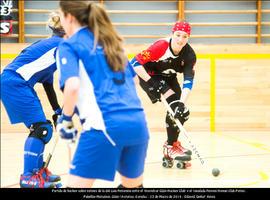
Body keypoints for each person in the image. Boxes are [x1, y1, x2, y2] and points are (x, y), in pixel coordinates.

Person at [56, 1, 149, 188]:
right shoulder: (111, 42)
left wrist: (65, 119)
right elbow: (134, 81)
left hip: (104, 126)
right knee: (132, 186)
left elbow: (72, 86)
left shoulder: (70, 46)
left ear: (69, 17)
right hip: (138, 124)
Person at [1, 12, 65, 188]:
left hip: (15, 82)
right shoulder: (62, 45)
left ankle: (38, 173)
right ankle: (29, 177)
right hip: (16, 83)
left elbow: (48, 83)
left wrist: (57, 111)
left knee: (43, 128)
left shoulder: (49, 43)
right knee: (41, 129)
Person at [130, 21, 196, 168]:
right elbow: (134, 63)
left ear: (188, 38)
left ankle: (171, 146)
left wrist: (181, 103)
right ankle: (170, 147)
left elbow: (188, 81)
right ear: (173, 34)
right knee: (172, 104)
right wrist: (152, 83)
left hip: (169, 78)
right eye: (178, 35)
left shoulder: (190, 55)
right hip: (149, 76)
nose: (180, 39)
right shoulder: (161, 46)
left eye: (185, 36)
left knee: (181, 112)